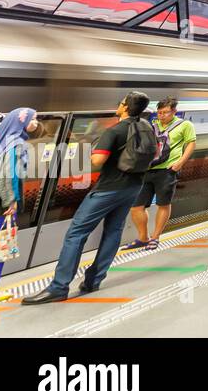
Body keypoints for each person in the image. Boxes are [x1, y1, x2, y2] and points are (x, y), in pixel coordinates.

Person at [24, 92, 154, 304]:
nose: (118, 105)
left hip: (108, 189)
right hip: (133, 187)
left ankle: (59, 287)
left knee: (76, 233)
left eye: (121, 103)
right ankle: (93, 280)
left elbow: (98, 160)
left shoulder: (115, 131)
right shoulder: (146, 127)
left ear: (126, 107)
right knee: (113, 232)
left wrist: (91, 152)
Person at [125, 98, 196, 251]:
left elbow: (191, 143)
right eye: (159, 112)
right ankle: (143, 237)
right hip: (147, 170)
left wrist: (180, 163)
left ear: (174, 112)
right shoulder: (152, 125)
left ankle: (155, 237)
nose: (162, 116)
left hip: (167, 171)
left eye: (165, 112)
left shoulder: (185, 125)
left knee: (163, 204)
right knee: (136, 206)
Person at [0, 108, 40, 298]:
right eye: (33, 119)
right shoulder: (17, 144)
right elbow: (9, 176)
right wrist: (12, 202)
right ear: (22, 121)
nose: (36, 122)